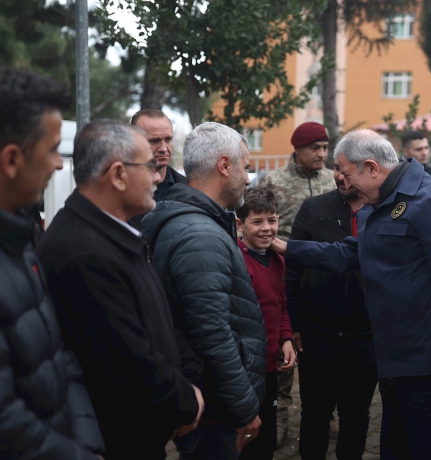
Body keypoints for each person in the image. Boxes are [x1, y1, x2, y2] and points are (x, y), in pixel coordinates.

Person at [272, 129, 431, 459]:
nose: (340, 179)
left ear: (371, 167)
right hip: (393, 359)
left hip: (429, 365)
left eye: (344, 171)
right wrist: (289, 247)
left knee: (427, 449)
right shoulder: (381, 203)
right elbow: (350, 253)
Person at [37, 120, 205, 459]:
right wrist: (184, 403)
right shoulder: (82, 252)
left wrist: (190, 380)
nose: (158, 176)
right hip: (117, 441)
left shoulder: (115, 234)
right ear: (117, 175)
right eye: (149, 166)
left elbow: (161, 324)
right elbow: (126, 360)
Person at [142, 122, 266, 459]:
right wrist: (243, 407)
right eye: (245, 167)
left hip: (209, 398)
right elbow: (211, 332)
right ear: (224, 166)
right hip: (214, 407)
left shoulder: (200, 222)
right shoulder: (199, 235)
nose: (246, 178)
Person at [0, 66, 105, 460]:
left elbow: (59, 353)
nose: (59, 166)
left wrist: (88, 442)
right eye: (51, 150)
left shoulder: (20, 239)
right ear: (12, 160)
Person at [287, 158, 377, 459]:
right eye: (336, 169)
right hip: (317, 336)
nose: (339, 176)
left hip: (366, 339)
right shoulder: (314, 209)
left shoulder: (383, 213)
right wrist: (294, 326)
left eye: (345, 170)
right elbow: (292, 271)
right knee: (314, 413)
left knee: (355, 415)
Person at [260, 120, 335, 443]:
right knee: (283, 354)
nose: (321, 154)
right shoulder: (273, 182)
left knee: (322, 357)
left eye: (325, 148)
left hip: (324, 282)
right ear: (297, 150)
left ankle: (324, 416)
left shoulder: (335, 180)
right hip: (284, 279)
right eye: (314, 148)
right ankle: (278, 422)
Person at [235, 188, 296, 460]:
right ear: (240, 224)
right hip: (244, 369)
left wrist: (285, 338)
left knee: (267, 438)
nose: (266, 228)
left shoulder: (279, 259)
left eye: (272, 220)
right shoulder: (236, 260)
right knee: (246, 439)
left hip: (271, 366)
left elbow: (281, 304)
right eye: (257, 221)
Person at [132, 108, 187, 200]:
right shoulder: (117, 188)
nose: (163, 149)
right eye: (154, 141)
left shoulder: (187, 189)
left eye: (168, 139)